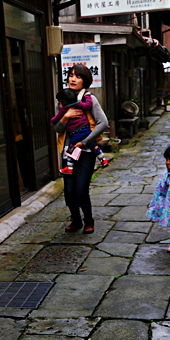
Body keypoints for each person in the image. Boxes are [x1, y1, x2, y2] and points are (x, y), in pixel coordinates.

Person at [52, 65, 108, 234]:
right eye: (70, 75)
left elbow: (103, 123)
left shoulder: (89, 99)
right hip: (67, 153)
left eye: (77, 76)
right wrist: (66, 117)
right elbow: (57, 129)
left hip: (86, 153)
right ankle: (75, 220)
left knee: (81, 188)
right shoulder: (61, 99)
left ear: (85, 80)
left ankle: (88, 220)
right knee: (69, 190)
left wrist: (85, 142)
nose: (73, 79)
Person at [51, 88, 109, 175]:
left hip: (75, 134)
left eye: (59, 102)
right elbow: (88, 105)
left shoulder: (64, 109)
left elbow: (55, 120)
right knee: (94, 145)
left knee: (71, 149)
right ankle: (103, 159)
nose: (58, 104)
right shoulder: (79, 104)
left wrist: (53, 121)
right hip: (86, 130)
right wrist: (88, 95)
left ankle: (69, 167)